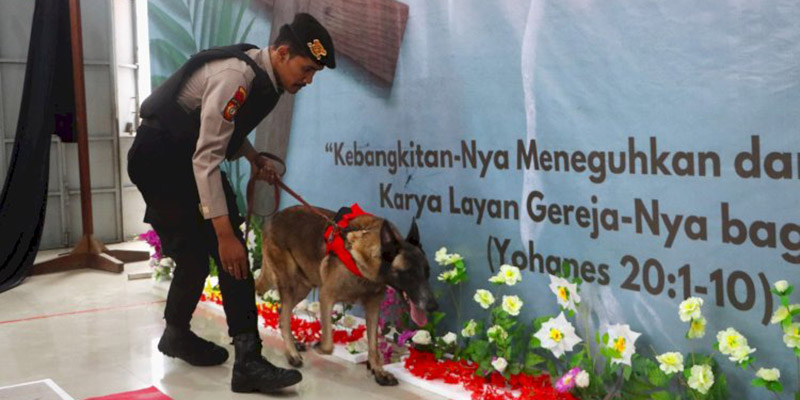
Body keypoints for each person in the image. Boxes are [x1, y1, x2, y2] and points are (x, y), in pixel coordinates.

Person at [127, 13, 335, 394]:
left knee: (196, 254)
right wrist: (224, 234)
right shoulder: (236, 78)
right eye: (306, 69)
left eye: (314, 73)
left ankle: (176, 334)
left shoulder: (266, 78)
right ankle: (248, 361)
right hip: (160, 159)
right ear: (283, 53)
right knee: (227, 248)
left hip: (180, 155)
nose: (308, 80)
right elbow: (206, 157)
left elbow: (226, 130)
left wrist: (254, 159)